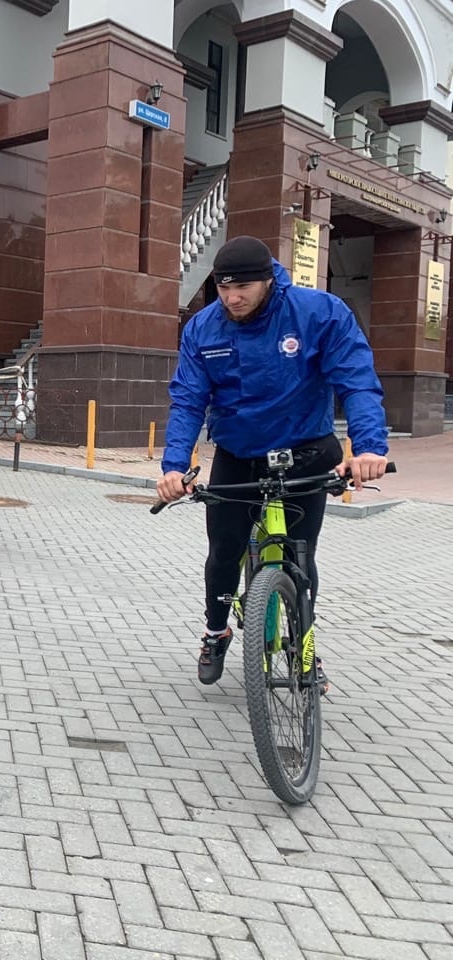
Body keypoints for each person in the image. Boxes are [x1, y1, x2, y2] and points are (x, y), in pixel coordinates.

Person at [155, 235, 389, 685]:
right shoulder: (203, 329)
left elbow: (356, 380)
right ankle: (215, 630)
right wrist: (173, 467)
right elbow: (187, 401)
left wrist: (369, 447)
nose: (232, 298)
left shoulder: (319, 313)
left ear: (269, 280)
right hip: (239, 452)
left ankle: (304, 643)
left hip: (306, 449)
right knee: (224, 549)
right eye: (223, 288)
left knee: (302, 555)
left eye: (242, 288)